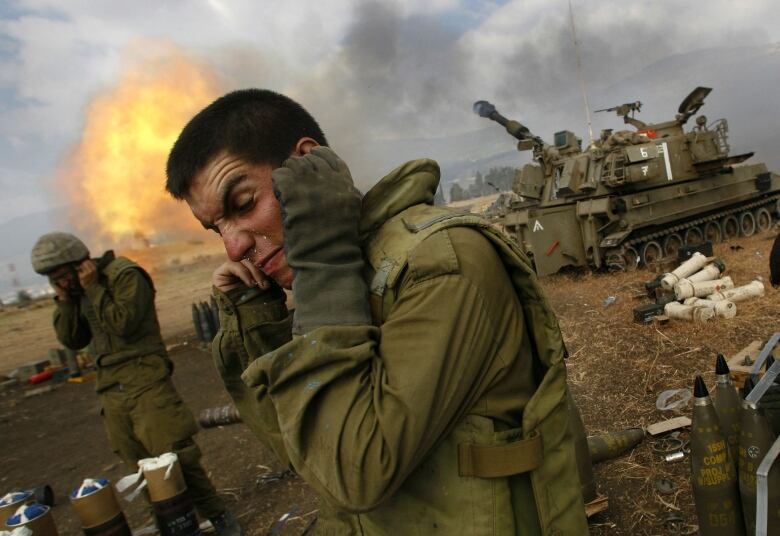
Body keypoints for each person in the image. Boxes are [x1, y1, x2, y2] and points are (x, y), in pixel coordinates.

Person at [165, 89, 588, 534]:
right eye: (217, 229)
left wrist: (323, 263)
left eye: (244, 204)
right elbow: (307, 454)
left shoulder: (442, 262)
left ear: (308, 167)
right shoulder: (354, 274)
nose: (234, 246)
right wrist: (255, 321)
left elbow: (355, 473)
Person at [30, 232, 242, 536]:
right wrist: (64, 299)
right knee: (139, 466)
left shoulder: (125, 276)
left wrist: (93, 290)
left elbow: (123, 323)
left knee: (175, 456)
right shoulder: (75, 293)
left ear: (81, 265)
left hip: (146, 381)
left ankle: (218, 515)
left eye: (64, 277)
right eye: (55, 281)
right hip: (110, 389)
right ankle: (170, 521)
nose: (62, 284)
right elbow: (72, 339)